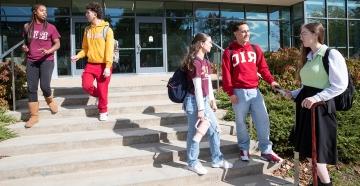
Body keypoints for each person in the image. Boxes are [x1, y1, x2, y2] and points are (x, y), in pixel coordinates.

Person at [284, 23, 348, 186]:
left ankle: (325, 184)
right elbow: (309, 86)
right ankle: (318, 183)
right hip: (307, 110)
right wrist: (294, 93)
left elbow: (340, 85)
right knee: (310, 152)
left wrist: (317, 98)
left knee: (318, 155)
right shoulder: (310, 56)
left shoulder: (331, 54)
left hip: (321, 111)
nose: (301, 37)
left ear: (315, 35)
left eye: (303, 33)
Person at [221, 21, 282, 163]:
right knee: (241, 122)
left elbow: (263, 69)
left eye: (248, 31)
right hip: (238, 92)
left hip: (255, 91)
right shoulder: (229, 52)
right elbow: (226, 74)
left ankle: (266, 150)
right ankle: (244, 148)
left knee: (263, 120)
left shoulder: (255, 49)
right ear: (236, 33)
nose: (247, 33)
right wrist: (230, 93)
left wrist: (271, 81)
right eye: (243, 31)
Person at [182, 33, 233, 175]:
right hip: (194, 101)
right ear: (201, 44)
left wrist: (212, 100)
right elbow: (197, 88)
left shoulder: (206, 62)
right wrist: (201, 109)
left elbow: (208, 84)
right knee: (195, 133)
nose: (211, 44)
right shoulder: (195, 62)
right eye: (209, 42)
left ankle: (217, 159)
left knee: (215, 129)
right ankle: (192, 162)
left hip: (203, 101)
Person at [71, 1, 114, 121]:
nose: (86, 15)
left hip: (104, 65)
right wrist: (78, 56)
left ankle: (103, 111)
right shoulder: (87, 30)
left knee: (102, 89)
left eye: (88, 12)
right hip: (90, 64)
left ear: (95, 14)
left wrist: (107, 66)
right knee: (86, 85)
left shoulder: (107, 30)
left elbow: (109, 50)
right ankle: (99, 97)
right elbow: (85, 48)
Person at [21, 3, 61, 128]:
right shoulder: (27, 27)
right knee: (31, 88)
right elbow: (26, 43)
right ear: (35, 12)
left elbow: (57, 44)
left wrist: (49, 51)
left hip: (47, 60)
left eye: (46, 11)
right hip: (31, 61)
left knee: (44, 86)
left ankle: (49, 100)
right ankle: (34, 116)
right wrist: (25, 48)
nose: (45, 13)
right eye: (42, 10)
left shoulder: (51, 27)